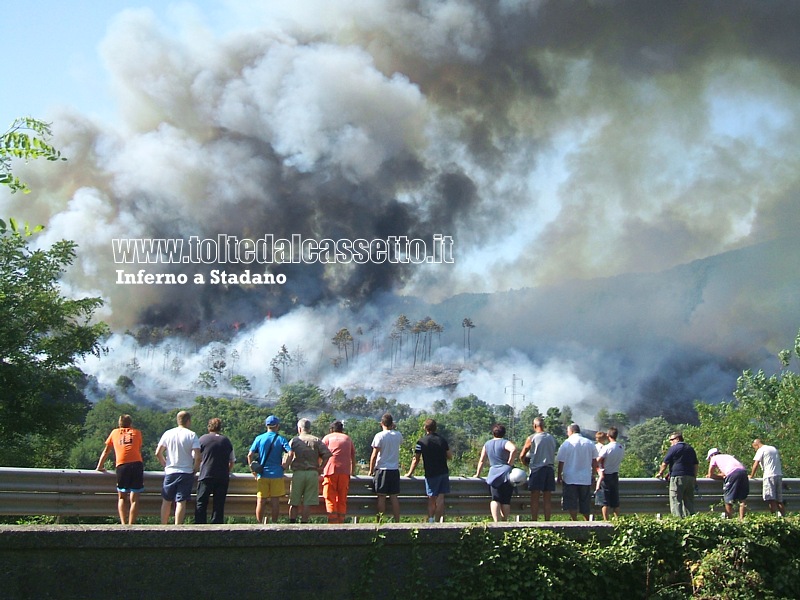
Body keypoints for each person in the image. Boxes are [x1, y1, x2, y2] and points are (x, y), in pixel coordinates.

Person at [96, 414, 145, 525]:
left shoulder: (114, 433)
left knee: (122, 497)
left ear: (119, 424)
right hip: (137, 464)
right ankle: (132, 524)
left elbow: (106, 451)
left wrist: (100, 466)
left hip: (122, 465)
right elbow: (137, 448)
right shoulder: (137, 433)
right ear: (130, 424)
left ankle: (123, 524)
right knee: (135, 497)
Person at [155, 410, 201, 525]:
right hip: (186, 472)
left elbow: (158, 453)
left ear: (177, 420)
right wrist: (195, 469)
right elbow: (198, 456)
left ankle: (163, 525)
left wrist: (165, 464)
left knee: (166, 500)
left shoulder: (168, 433)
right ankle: (177, 526)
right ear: (188, 421)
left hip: (170, 471)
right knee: (181, 501)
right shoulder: (191, 435)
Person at [405, 418, 453, 523]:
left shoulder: (421, 442)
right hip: (443, 472)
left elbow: (416, 459)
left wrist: (410, 473)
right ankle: (438, 521)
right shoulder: (442, 440)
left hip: (431, 473)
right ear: (435, 428)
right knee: (441, 498)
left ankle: (431, 520)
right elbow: (450, 456)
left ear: (425, 428)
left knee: (432, 497)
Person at [247, 415, 292, 524]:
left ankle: (259, 524)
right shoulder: (280, 439)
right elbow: (290, 453)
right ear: (277, 426)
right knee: (275, 502)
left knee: (261, 501)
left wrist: (253, 471)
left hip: (262, 474)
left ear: (266, 425)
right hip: (277, 474)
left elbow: (249, 455)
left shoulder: (259, 438)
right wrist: (284, 466)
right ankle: (274, 524)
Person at [286, 418, 332, 523]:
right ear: (309, 428)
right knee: (307, 502)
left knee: (294, 501)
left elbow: (288, 456)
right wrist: (321, 467)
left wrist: (284, 467)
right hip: (312, 473)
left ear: (299, 428)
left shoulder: (294, 441)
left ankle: (292, 523)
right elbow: (327, 454)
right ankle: (304, 524)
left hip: (298, 473)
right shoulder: (316, 440)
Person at [194, 417, 235, 524]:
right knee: (219, 504)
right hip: (222, 476)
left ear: (209, 427)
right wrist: (227, 471)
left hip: (206, 475)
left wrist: (197, 469)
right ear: (220, 428)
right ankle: (217, 529)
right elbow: (232, 461)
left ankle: (200, 527)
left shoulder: (202, 439)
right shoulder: (226, 441)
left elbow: (195, 457)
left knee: (201, 503)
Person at [474, 423, 517, 522]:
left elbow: (482, 460)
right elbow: (514, 449)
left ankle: (496, 521)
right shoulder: (505, 442)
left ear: (493, 433)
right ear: (504, 433)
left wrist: (478, 474)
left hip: (493, 474)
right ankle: (505, 520)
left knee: (495, 498)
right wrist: (509, 463)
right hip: (506, 474)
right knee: (506, 500)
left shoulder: (487, 444)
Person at [556, 423, 598, 521]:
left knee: (571, 502)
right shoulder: (589, 443)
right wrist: (593, 475)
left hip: (570, 477)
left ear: (571, 431)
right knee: (585, 501)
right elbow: (594, 461)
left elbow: (561, 461)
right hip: (585, 478)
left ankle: (574, 520)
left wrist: (559, 475)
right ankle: (586, 521)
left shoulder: (566, 443)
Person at [519, 416, 557, 521]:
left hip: (537, 470)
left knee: (535, 497)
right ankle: (547, 521)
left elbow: (522, 454)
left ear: (535, 425)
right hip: (549, 469)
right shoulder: (551, 438)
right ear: (543, 425)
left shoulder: (532, 438)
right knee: (547, 498)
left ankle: (534, 520)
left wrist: (524, 463)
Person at [368, 413, 403, 522]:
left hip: (382, 469)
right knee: (394, 497)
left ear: (381, 423)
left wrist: (371, 470)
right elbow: (399, 441)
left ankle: (380, 521)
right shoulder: (398, 435)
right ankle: (397, 521)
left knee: (381, 497)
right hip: (394, 470)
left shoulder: (379, 436)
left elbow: (374, 455)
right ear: (392, 423)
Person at [655, 431, 699, 517]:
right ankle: (692, 521)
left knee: (676, 499)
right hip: (690, 477)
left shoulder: (674, 448)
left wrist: (660, 473)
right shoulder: (690, 448)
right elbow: (696, 464)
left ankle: (678, 521)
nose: (670, 442)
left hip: (677, 477)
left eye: (671, 440)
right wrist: (694, 477)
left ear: (677, 439)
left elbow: (665, 463)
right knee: (689, 501)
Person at [321, 420, 356, 524]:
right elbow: (353, 456)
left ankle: (332, 523)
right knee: (342, 498)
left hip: (330, 471)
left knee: (330, 496)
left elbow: (320, 454)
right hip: (345, 472)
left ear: (331, 430)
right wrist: (352, 471)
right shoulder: (348, 439)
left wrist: (319, 468)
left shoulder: (327, 438)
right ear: (342, 430)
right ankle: (341, 522)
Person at [706, 448, 749, 520]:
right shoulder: (728, 456)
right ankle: (742, 519)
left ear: (711, 455)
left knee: (728, 498)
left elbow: (710, 475)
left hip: (733, 474)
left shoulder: (714, 458)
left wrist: (719, 477)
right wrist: (722, 476)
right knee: (742, 498)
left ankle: (730, 519)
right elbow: (725, 472)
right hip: (743, 472)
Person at [750, 439, 785, 516]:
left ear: (756, 445)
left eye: (754, 448)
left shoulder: (761, 450)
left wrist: (752, 475)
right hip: (778, 475)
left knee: (771, 499)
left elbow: (756, 463)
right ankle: (784, 518)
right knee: (779, 500)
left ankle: (773, 518)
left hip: (769, 475)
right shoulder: (773, 448)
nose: (755, 450)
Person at [596, 427, 625, 519]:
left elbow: (598, 460)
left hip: (606, 474)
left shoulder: (607, 447)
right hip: (615, 474)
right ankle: (617, 519)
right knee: (615, 500)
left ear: (608, 435)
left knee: (605, 501)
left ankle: (606, 520)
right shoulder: (621, 447)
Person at [593, 431, 609, 517]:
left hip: (595, 465)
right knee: (602, 475)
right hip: (599, 465)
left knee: (600, 475)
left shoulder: (594, 446)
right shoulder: (604, 447)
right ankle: (597, 488)